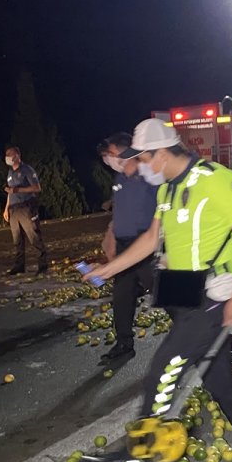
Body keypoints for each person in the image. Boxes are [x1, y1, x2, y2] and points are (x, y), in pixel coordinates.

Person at [85, 118, 232, 462]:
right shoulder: (167, 190)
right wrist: (108, 270)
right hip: (181, 288)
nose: (140, 167)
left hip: (215, 291)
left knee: (163, 366)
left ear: (161, 154)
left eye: (143, 159)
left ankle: (131, 461)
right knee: (218, 380)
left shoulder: (214, 179)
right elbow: (151, 239)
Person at [96, 132, 159, 364]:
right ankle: (124, 344)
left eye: (111, 154)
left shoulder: (149, 177)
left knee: (165, 293)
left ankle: (192, 339)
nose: (108, 159)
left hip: (146, 247)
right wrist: (110, 233)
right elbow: (119, 211)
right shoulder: (119, 179)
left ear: (126, 152)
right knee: (121, 297)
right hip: (124, 247)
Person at [3, 146, 48, 275]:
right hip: (14, 209)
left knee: (33, 236)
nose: (7, 157)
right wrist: (6, 208)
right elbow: (10, 191)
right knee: (17, 240)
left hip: (26, 207)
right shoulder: (10, 172)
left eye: (9, 154)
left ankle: (43, 265)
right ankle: (19, 266)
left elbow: (37, 188)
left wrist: (18, 190)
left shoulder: (27, 170)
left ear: (17, 156)